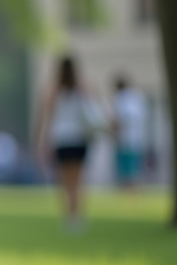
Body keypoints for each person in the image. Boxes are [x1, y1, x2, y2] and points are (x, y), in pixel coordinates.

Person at [34, 56, 105, 231]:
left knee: (65, 182)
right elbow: (96, 109)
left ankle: (69, 217)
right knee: (79, 181)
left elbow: (46, 120)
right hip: (79, 139)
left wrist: (41, 141)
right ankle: (78, 217)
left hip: (62, 140)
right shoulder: (84, 88)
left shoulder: (53, 91)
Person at [111, 74, 149, 190]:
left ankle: (130, 188)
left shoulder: (121, 98)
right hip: (136, 138)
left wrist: (114, 130)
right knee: (134, 165)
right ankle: (133, 187)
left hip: (125, 138)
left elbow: (120, 118)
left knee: (127, 166)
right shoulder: (136, 97)